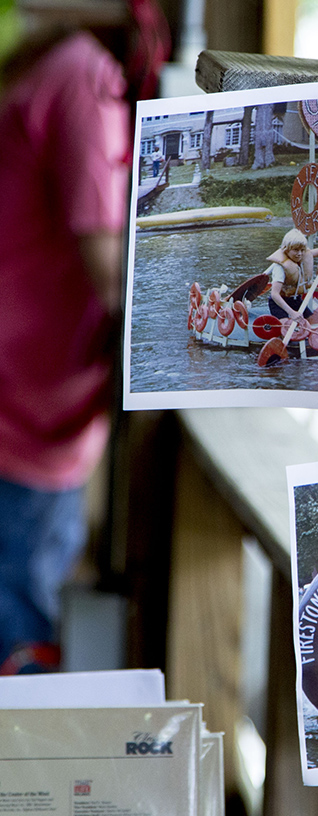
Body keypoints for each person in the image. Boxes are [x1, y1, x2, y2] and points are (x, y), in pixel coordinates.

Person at [0, 8, 168, 674]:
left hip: (25, 398)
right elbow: (113, 277)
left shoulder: (53, 61)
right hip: (28, 415)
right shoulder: (84, 78)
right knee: (20, 639)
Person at [229, 229, 318, 321]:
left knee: (314, 323)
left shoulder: (302, 255)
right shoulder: (280, 267)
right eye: (296, 250)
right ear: (286, 249)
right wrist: (292, 313)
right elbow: (274, 294)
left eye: (302, 250)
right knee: (285, 328)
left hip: (296, 300)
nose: (299, 254)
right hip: (278, 303)